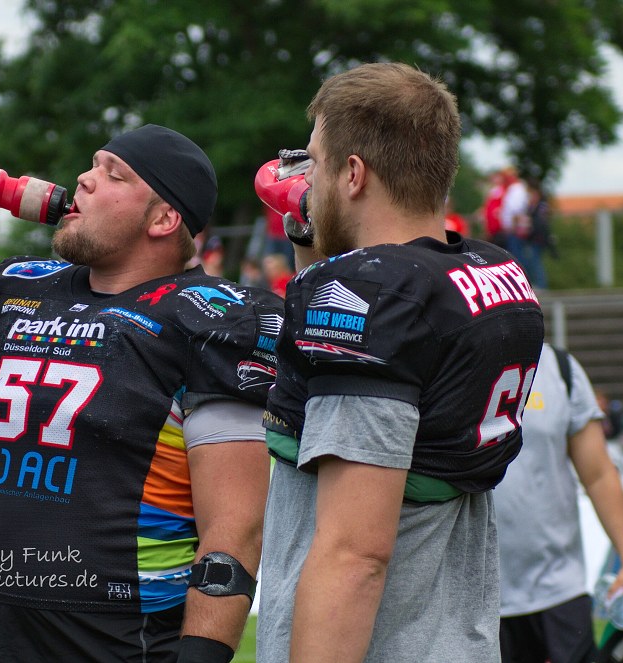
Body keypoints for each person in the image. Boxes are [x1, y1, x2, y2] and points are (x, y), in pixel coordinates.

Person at [0, 125, 285, 662]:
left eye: (113, 174)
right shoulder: (30, 294)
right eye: (93, 164)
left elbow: (235, 532)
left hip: (126, 637)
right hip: (9, 624)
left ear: (163, 218)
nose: (84, 178)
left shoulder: (209, 321)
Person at [255, 62, 545, 662]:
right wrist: (316, 232)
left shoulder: (375, 300)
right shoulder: (490, 270)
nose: (305, 180)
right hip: (453, 632)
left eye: (317, 161)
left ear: (354, 173)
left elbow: (355, 553)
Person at [494, 344, 623, 663]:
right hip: (466, 595)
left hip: (559, 591)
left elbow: (598, 475)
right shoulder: (444, 351)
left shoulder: (561, 368)